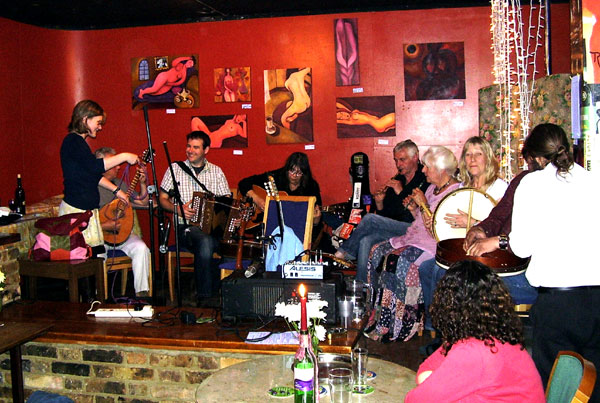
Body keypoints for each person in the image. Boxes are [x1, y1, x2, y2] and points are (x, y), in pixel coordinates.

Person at [510, 123, 600, 402]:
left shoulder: (532, 184)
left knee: (556, 388)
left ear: (536, 158)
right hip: (596, 300)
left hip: (558, 304)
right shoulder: (593, 180)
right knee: (593, 384)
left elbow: (520, 247)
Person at [405, 260, 545, 402]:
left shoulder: (473, 350)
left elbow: (417, 399)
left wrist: (432, 382)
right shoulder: (494, 334)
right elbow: (426, 368)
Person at [364, 146, 460, 342]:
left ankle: (401, 323)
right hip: (414, 237)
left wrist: (422, 203)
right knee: (376, 251)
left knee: (396, 261)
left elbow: (437, 229)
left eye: (427, 167)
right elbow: (420, 219)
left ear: (441, 170)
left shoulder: (455, 192)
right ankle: (376, 313)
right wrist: (414, 208)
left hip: (433, 245)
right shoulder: (433, 188)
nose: (423, 170)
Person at [334, 140, 429, 282]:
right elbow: (386, 216)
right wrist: (379, 203)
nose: (398, 165)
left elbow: (415, 213)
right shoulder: (398, 179)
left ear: (415, 157)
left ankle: (343, 252)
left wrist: (400, 191)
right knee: (365, 240)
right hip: (395, 229)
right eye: (396, 160)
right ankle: (363, 288)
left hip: (414, 229)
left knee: (370, 218)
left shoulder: (425, 179)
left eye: (402, 160)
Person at [159, 131, 230, 307]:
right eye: (189, 146)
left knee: (218, 242)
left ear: (206, 150)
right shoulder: (174, 170)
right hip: (185, 228)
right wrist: (178, 209)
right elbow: (161, 199)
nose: (190, 150)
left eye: (196, 147)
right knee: (206, 243)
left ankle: (216, 290)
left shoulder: (216, 171)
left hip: (212, 229)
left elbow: (226, 202)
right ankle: (206, 297)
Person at [59, 100, 139, 250]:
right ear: (85, 119)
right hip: (76, 212)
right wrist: (124, 156)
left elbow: (92, 174)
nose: (100, 127)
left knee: (96, 258)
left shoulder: (78, 143)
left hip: (84, 212)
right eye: (98, 122)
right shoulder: (72, 141)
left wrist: (117, 191)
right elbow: (95, 166)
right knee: (87, 262)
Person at [95, 147, 150, 298]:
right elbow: (84, 219)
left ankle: (142, 293)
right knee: (98, 255)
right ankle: (99, 296)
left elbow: (143, 203)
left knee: (141, 248)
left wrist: (143, 184)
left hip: (123, 234)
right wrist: (104, 226)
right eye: (114, 163)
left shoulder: (120, 183)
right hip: (100, 235)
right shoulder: (90, 187)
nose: (119, 166)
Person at [238, 151, 322, 217]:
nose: (294, 175)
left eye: (299, 173)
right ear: (287, 168)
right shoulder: (275, 177)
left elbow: (316, 220)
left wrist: (316, 218)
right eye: (291, 170)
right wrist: (257, 199)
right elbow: (243, 183)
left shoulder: (311, 186)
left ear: (304, 174)